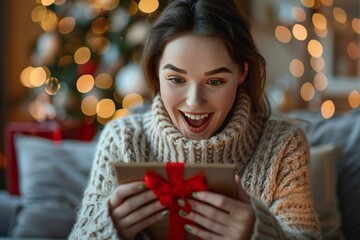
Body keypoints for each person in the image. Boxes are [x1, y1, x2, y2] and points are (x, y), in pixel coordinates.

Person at [69, 0, 321, 239]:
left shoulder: (284, 145)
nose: (194, 101)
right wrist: (107, 229)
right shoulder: (121, 140)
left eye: (215, 81)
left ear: (242, 72)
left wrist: (259, 234)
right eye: (177, 80)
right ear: (157, 71)